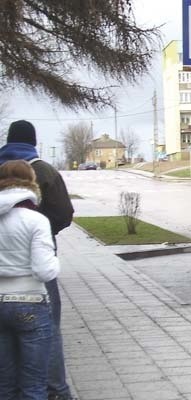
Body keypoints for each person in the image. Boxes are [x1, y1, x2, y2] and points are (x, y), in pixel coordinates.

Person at [0, 121, 74, 400]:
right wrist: (45, 234)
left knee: (5, 377)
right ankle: (57, 390)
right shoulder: (43, 170)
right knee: (48, 332)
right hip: (32, 286)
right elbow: (64, 214)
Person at [0, 160, 60, 400]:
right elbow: (45, 271)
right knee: (34, 385)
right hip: (30, 303)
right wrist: (56, 261)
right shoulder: (35, 220)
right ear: (31, 183)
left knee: (4, 384)